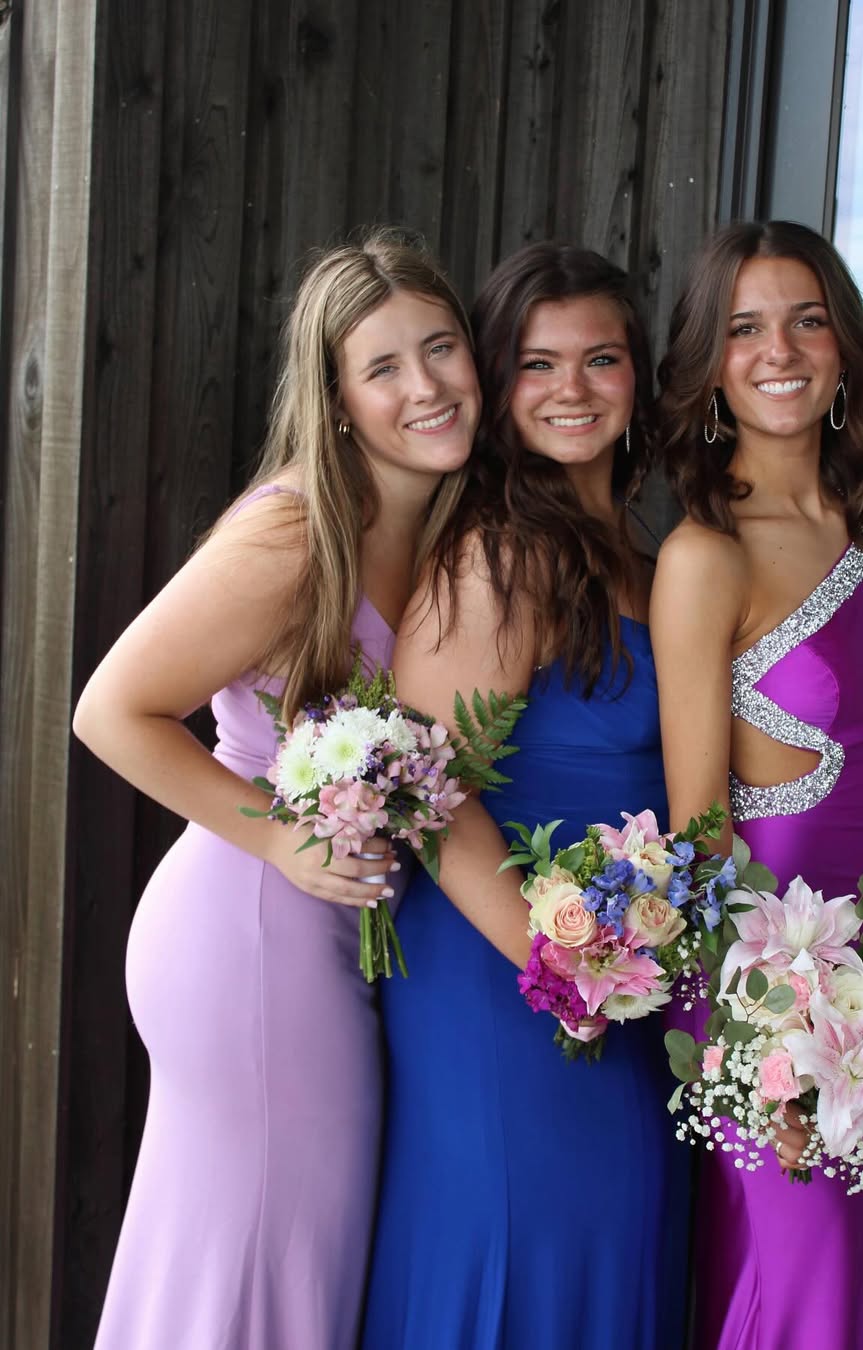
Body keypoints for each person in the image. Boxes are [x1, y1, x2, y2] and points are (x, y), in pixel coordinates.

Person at [73, 228, 480, 1350]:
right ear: (338, 401)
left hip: (326, 937)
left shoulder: (442, 530)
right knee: (262, 1262)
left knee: (265, 1262)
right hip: (252, 930)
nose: (426, 386)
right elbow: (110, 711)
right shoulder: (297, 531)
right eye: (384, 367)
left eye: (441, 348)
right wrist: (283, 842)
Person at [361, 243, 690, 1350]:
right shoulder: (501, 555)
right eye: (539, 364)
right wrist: (566, 968)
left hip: (615, 971)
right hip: (503, 977)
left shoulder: (639, 556)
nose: (571, 389)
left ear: (637, 376)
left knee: (611, 1245)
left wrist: (618, 967)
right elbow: (425, 789)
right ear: (501, 384)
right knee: (520, 1243)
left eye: (602, 359)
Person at [651, 220, 863, 1350]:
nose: (780, 350)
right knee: (803, 1300)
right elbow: (698, 834)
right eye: (745, 328)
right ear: (712, 367)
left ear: (843, 349)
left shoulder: (862, 539)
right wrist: (766, 1052)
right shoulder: (704, 554)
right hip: (762, 1002)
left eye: (807, 320)